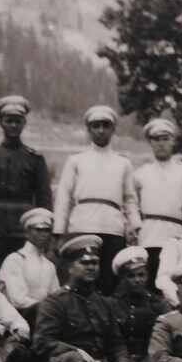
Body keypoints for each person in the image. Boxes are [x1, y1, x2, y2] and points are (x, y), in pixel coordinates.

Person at [30, 235, 144, 362]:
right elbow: (41, 343)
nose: (91, 267)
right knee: (76, 359)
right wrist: (76, 351)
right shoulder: (55, 302)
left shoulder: (104, 303)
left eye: (95, 263)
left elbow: (116, 343)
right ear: (70, 267)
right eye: (84, 263)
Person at [52, 105, 141, 295]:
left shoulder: (123, 163)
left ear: (113, 129)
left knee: (109, 281)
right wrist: (59, 231)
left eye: (105, 125)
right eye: (96, 126)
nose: (101, 130)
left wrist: (135, 226)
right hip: (83, 225)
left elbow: (130, 198)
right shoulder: (76, 160)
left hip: (113, 228)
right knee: (81, 279)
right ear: (89, 129)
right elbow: (63, 197)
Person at [0, 95, 53, 285]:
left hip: (25, 229)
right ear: (1, 123)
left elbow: (44, 198)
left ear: (24, 123)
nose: (13, 126)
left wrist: (45, 229)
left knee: (25, 277)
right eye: (9, 121)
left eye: (17, 121)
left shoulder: (35, 159)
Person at [134, 119, 182, 283]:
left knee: (176, 281)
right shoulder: (141, 173)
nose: (161, 144)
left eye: (165, 139)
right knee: (150, 282)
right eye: (156, 139)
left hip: (177, 235)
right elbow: (132, 206)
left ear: (173, 141)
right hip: (148, 236)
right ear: (150, 142)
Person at [110, 246, 168, 362]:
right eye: (131, 276)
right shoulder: (111, 303)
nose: (137, 280)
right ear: (122, 278)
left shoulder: (157, 303)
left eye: (141, 275)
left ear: (147, 275)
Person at [0, 207, 60, 330]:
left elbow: (56, 297)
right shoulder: (15, 260)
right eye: (38, 230)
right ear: (27, 232)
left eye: (47, 230)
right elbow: (18, 301)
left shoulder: (49, 265)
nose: (44, 234)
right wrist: (50, 311)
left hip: (45, 320)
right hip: (17, 322)